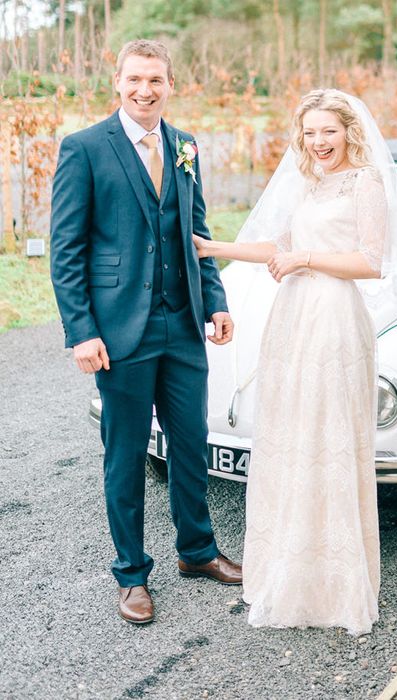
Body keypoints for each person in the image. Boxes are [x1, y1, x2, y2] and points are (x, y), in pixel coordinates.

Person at [193, 89, 397, 635]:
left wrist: (305, 259)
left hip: (334, 318)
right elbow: (276, 246)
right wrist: (212, 249)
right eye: (310, 133)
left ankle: (334, 585)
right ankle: (290, 569)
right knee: (292, 437)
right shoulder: (310, 184)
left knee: (328, 438)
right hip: (293, 317)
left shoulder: (366, 183)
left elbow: (371, 261)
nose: (318, 142)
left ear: (348, 132)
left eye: (328, 132)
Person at [50, 39, 242, 626]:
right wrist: (82, 331)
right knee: (127, 455)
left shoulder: (184, 146)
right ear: (118, 81)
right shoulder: (84, 148)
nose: (144, 90)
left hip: (182, 325)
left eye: (155, 80)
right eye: (135, 79)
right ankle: (131, 574)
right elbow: (67, 250)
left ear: (170, 84)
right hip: (118, 330)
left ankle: (198, 551)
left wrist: (215, 300)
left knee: (190, 445)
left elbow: (197, 230)